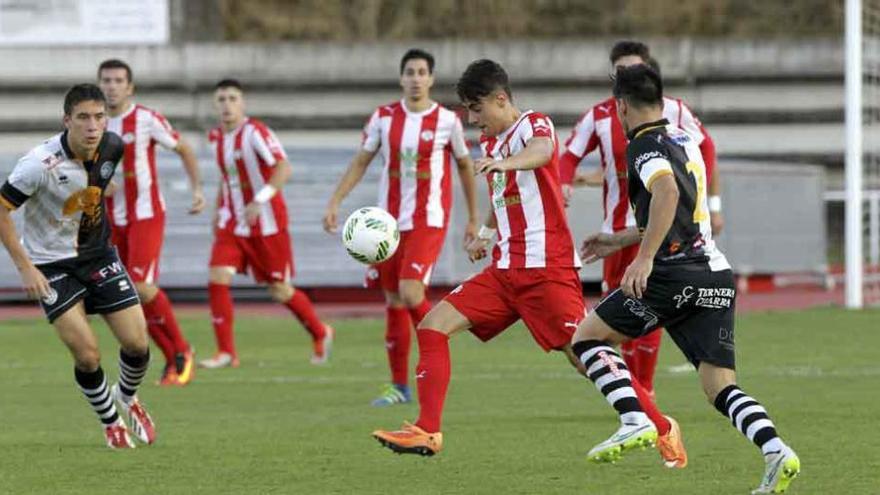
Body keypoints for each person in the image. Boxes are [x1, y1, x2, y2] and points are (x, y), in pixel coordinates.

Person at [371, 60, 684, 464]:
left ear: (501, 99)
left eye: (477, 108)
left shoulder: (534, 124)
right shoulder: (490, 145)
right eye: (467, 110)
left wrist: (507, 162)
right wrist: (484, 233)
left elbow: (542, 152)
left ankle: (662, 426)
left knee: (585, 356)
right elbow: (503, 194)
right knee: (433, 325)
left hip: (546, 270)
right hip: (504, 271)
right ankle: (427, 430)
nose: (472, 118)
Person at [572, 65, 799, 494]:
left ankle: (635, 418)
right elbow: (680, 213)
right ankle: (775, 451)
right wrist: (618, 239)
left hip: (672, 276)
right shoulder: (683, 138)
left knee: (586, 340)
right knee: (719, 388)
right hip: (713, 274)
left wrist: (642, 258)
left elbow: (667, 193)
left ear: (620, 106)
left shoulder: (641, 145)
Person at [559, 41, 723, 411]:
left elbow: (707, 150)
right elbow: (567, 155)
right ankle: (634, 396)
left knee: (648, 312)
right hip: (616, 231)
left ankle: (643, 391)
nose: (628, 77)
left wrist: (710, 204)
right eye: (620, 72)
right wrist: (564, 181)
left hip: (662, 232)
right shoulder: (598, 117)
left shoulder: (674, 111)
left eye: (634, 69)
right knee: (616, 315)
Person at [0, 84, 155, 448]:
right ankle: (110, 422)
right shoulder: (37, 165)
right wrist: (25, 267)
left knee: (137, 345)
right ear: (66, 120)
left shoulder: (113, 146)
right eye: (83, 118)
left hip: (98, 255)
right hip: (51, 264)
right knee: (87, 355)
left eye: (99, 117)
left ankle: (129, 398)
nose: (92, 126)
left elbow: (98, 180)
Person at [323, 49, 479, 406]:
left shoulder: (446, 121)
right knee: (393, 298)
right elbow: (361, 161)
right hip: (387, 225)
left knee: (411, 293)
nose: (415, 78)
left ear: (431, 79)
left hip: (429, 219)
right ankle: (399, 386)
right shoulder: (383, 118)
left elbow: (466, 167)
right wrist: (335, 201)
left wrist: (471, 217)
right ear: (401, 78)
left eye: (422, 72)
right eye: (409, 72)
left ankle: (436, 345)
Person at [200, 79, 333, 369]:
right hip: (232, 223)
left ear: (243, 103)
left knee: (279, 289)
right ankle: (226, 352)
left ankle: (320, 331)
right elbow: (229, 178)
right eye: (221, 99)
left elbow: (283, 167)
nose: (226, 104)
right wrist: (216, 210)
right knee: (217, 276)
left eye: (232, 98)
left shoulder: (256, 132)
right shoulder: (215, 138)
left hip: (267, 223)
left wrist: (260, 199)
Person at [98, 59, 204, 386]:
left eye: (118, 80)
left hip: (146, 215)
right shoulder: (94, 122)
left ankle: (182, 352)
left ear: (129, 87)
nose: (112, 86)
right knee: (123, 295)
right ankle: (172, 357)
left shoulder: (145, 119)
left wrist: (197, 189)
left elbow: (184, 148)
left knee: (141, 287)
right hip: (111, 219)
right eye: (106, 80)